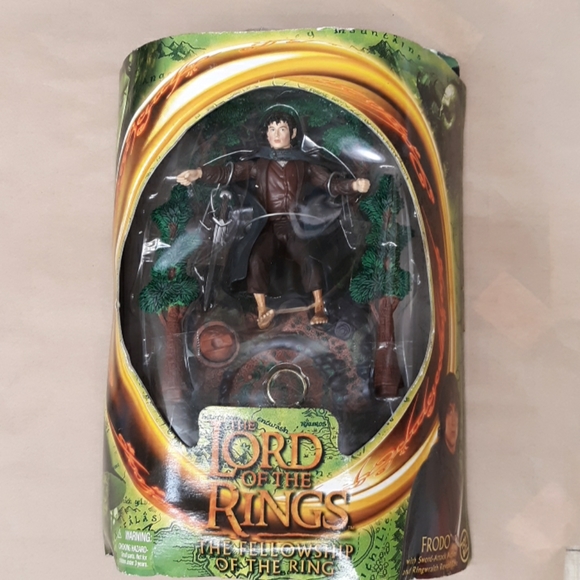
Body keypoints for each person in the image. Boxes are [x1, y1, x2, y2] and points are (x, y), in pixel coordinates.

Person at [177, 110, 370, 329]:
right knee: (255, 258)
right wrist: (199, 173)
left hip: (295, 225)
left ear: (293, 133)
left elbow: (328, 183)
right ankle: (262, 309)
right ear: (267, 135)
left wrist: (352, 185)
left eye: (282, 129)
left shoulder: (303, 164)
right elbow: (229, 172)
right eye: (272, 129)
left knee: (309, 257)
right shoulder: (258, 164)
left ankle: (318, 305)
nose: (277, 134)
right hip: (266, 225)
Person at [399, 373, 469, 579]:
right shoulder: (431, 470)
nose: (453, 420)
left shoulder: (456, 463)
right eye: (448, 412)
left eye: (456, 412)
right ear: (441, 416)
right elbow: (421, 528)